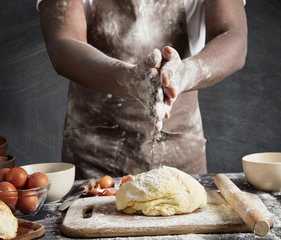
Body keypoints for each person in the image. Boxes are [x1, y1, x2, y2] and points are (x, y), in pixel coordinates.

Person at [37, 0, 247, 179]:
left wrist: (187, 73)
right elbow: (63, 41)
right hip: (94, 151)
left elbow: (233, 35)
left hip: (179, 148)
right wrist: (127, 78)